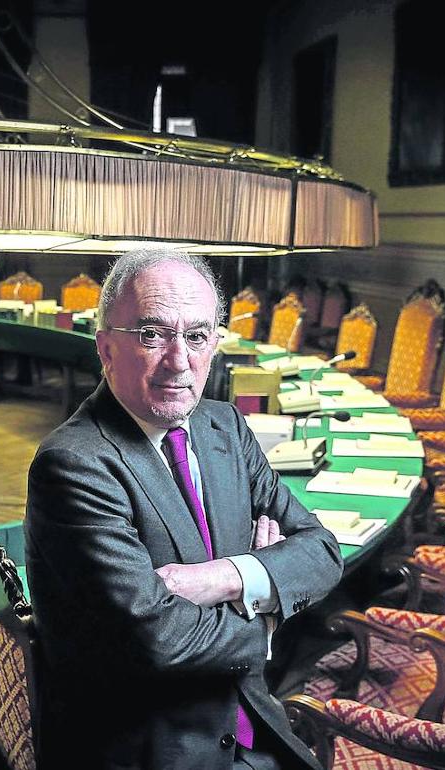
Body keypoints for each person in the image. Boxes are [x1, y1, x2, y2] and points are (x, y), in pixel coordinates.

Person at [24, 249, 343, 769]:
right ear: (106, 348)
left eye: (197, 337)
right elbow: (158, 639)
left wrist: (226, 578)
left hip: (254, 719)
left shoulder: (225, 427)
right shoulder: (73, 464)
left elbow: (323, 552)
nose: (179, 361)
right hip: (153, 749)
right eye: (152, 334)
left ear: (215, 345)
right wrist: (264, 613)